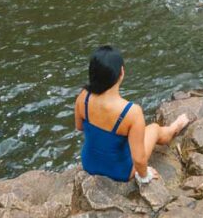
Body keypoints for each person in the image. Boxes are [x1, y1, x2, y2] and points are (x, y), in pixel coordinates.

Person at [75, 45, 189, 184]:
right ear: (121, 72)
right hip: (119, 172)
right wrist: (144, 175)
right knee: (154, 128)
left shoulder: (83, 97)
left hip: (89, 164)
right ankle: (174, 128)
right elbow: (139, 160)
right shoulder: (131, 112)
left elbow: (80, 127)